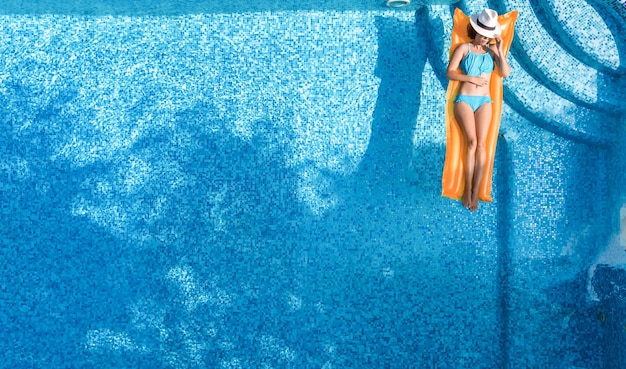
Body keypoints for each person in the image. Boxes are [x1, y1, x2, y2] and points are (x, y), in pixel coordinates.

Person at [446, 8, 510, 211]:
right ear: (477, 31)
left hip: (484, 102)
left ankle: (475, 192)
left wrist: (499, 50)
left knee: (481, 145)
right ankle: (466, 190)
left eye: (491, 35)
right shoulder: (463, 48)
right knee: (472, 143)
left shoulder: (492, 52)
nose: (487, 39)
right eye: (485, 35)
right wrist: (471, 78)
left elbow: (505, 73)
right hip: (464, 100)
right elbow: (450, 72)